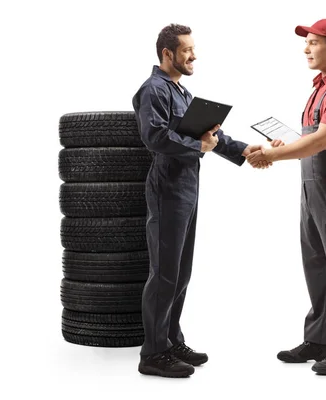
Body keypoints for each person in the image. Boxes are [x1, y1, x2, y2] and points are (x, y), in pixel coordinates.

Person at [132, 23, 268, 378]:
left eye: (193, 49)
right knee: (164, 272)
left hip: (188, 186)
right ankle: (153, 353)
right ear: (167, 54)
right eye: (187, 50)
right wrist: (199, 146)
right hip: (167, 187)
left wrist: (244, 150)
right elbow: (155, 137)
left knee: (181, 272)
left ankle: (171, 339)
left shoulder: (182, 92)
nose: (194, 56)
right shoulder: (153, 91)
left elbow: (211, 137)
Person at [247, 19, 326, 376]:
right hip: (312, 188)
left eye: (314, 43)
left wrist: (271, 157)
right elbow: (310, 139)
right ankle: (318, 340)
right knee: (317, 266)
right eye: (307, 43)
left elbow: (322, 141)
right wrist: (285, 146)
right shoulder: (320, 87)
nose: (306, 49)